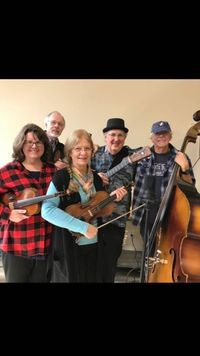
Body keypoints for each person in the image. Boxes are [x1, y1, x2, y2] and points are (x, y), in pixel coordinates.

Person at [41, 129, 127, 283]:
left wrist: (113, 198)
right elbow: (47, 211)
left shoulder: (95, 177)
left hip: (95, 245)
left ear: (92, 151)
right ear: (70, 152)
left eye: (87, 148)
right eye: (78, 148)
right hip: (69, 246)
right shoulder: (61, 177)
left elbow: (100, 207)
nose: (83, 153)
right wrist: (82, 227)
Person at [0, 123, 56, 282]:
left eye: (38, 142)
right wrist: (8, 214)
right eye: (29, 142)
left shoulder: (54, 172)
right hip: (16, 246)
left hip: (46, 244)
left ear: (44, 145)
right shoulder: (6, 172)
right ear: (21, 144)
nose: (34, 145)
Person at [131, 120, 196, 249]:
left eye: (164, 133)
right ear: (151, 137)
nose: (161, 136)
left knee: (167, 250)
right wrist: (98, 149)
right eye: (157, 134)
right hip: (147, 211)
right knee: (149, 250)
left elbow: (191, 186)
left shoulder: (181, 156)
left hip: (171, 211)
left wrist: (184, 167)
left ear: (170, 136)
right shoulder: (141, 155)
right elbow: (125, 164)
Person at [91, 118, 141, 283]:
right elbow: (79, 176)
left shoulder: (133, 156)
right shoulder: (93, 154)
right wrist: (95, 178)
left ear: (125, 138)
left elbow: (158, 148)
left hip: (117, 219)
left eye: (120, 135)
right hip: (93, 218)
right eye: (112, 134)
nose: (116, 139)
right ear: (105, 136)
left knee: (110, 264)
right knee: (91, 263)